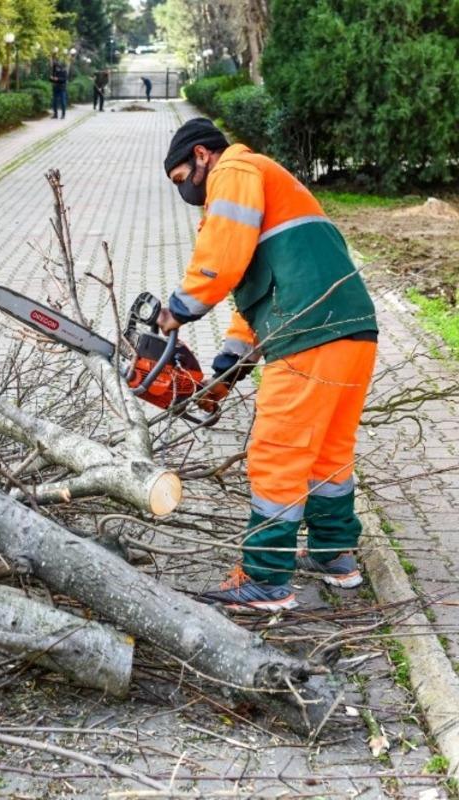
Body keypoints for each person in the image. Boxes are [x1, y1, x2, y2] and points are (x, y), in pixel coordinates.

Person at [158, 118, 379, 612]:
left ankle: (265, 578)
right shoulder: (270, 181)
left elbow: (221, 258)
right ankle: (334, 555)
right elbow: (258, 293)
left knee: (277, 452)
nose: (186, 192)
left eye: (181, 180)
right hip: (352, 326)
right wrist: (226, 369)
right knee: (328, 452)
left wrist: (178, 308)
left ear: (200, 156)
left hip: (307, 332)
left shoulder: (234, 169)